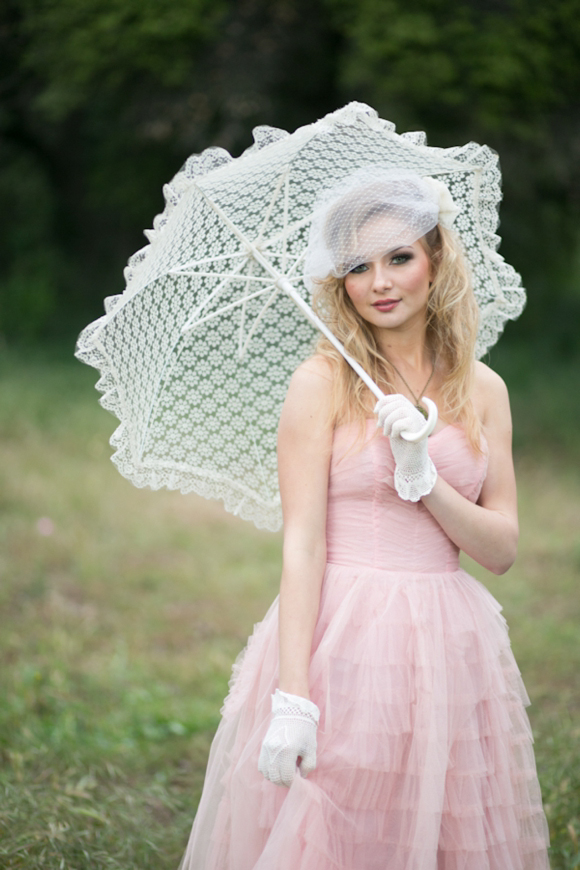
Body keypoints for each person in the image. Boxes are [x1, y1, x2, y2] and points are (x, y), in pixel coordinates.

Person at [178, 168, 550, 869]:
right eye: (357, 265)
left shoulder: (484, 390)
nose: (379, 281)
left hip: (451, 642)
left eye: (399, 257)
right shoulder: (320, 382)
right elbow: (303, 543)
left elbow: (500, 550)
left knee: (441, 829)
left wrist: (425, 477)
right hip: (341, 634)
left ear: (435, 260)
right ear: (339, 281)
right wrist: (294, 695)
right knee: (340, 827)